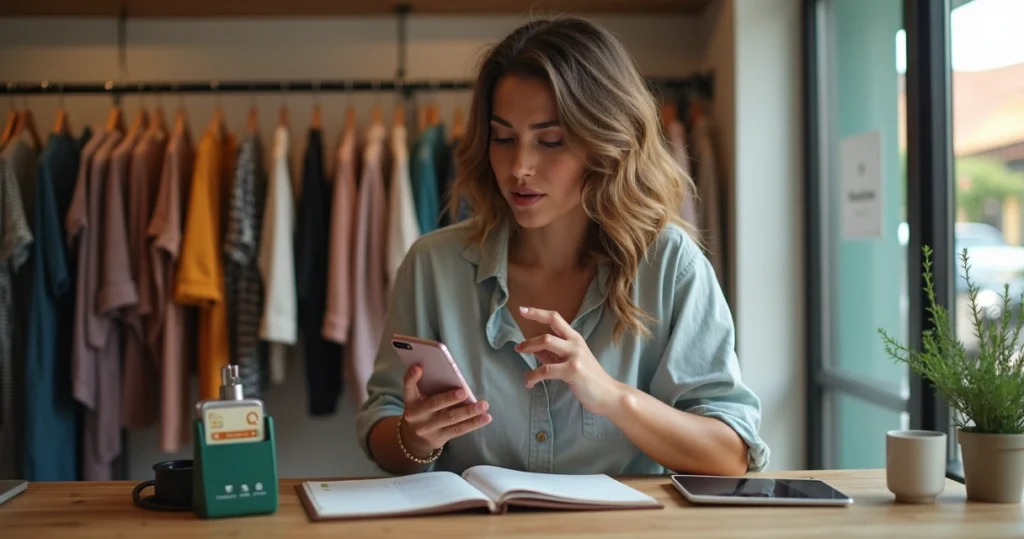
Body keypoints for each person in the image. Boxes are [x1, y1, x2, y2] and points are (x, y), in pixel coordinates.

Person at [355, 15, 769, 477]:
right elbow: (380, 423)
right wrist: (413, 438)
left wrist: (612, 397)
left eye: (550, 141)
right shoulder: (432, 265)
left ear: (606, 142)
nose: (519, 168)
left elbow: (730, 456)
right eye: (503, 138)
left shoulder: (671, 265)